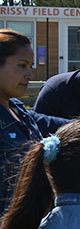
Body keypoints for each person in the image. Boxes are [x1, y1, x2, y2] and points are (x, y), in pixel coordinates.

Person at [0, 29, 70, 215]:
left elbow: (45, 122)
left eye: (30, 66)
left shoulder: (16, 108)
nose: (29, 75)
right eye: (22, 66)